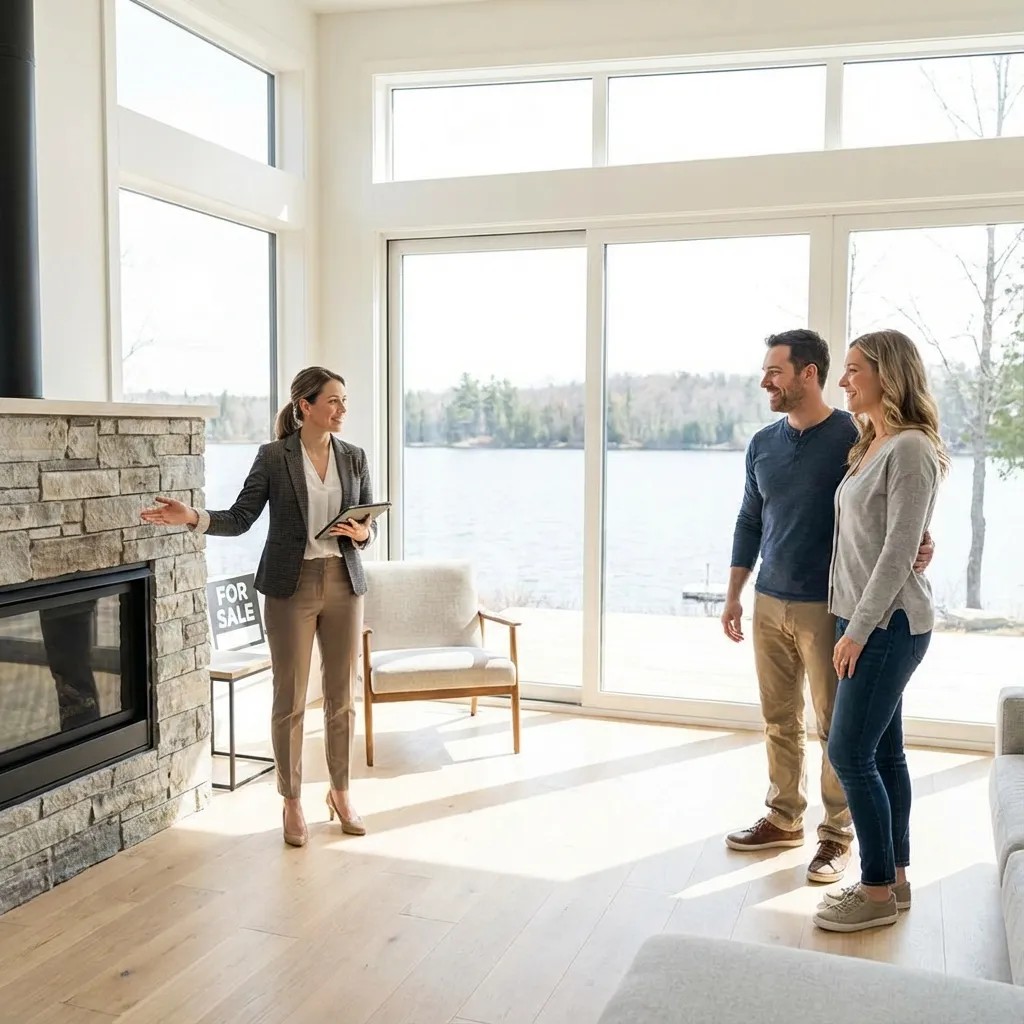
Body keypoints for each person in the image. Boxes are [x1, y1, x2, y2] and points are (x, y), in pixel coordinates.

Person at [722, 329, 933, 885]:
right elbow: (749, 520)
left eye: (775, 371)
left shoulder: (854, 435)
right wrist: (734, 594)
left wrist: (922, 543)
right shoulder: (763, 443)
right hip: (770, 598)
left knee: (838, 731)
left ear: (806, 374)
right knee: (778, 720)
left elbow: (895, 517)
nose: (765, 380)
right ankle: (784, 816)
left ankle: (837, 835)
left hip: (832, 607)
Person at [141, 366, 377, 847]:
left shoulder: (354, 457)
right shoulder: (274, 457)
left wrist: (363, 532)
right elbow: (242, 517)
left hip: (344, 583)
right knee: (289, 699)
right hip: (290, 589)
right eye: (333, 401)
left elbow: (369, 523)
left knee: (341, 698)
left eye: (344, 400)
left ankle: (340, 791)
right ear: (305, 406)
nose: (342, 409)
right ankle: (291, 800)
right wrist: (194, 517)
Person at [812, 330, 947, 933]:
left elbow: (897, 552)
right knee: (884, 753)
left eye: (854, 369)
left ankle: (870, 893)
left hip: (887, 624)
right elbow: (890, 538)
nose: (844, 381)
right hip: (863, 618)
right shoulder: (873, 444)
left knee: (849, 753)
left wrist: (857, 630)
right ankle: (892, 879)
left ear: (888, 374)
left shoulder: (910, 448)